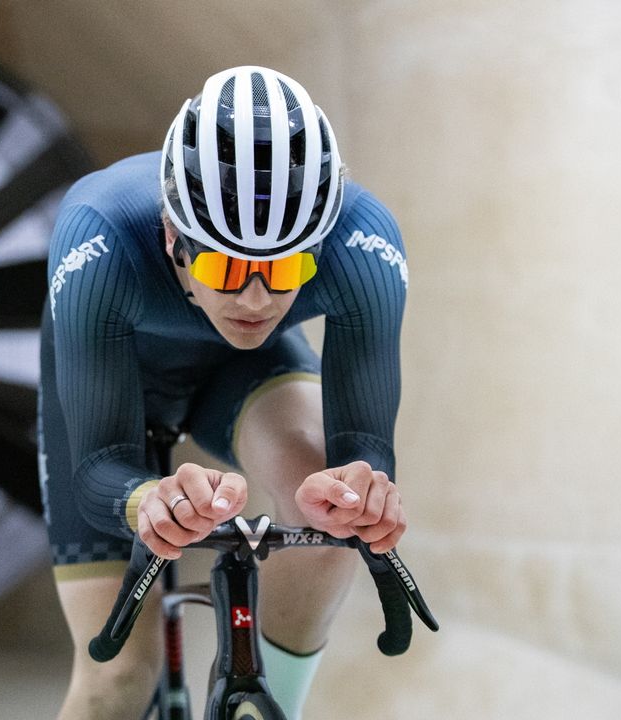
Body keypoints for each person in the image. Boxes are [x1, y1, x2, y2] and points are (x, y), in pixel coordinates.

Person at [38, 65, 410, 720]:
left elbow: (364, 451)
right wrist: (145, 499)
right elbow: (98, 470)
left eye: (286, 269)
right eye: (226, 266)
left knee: (325, 513)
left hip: (244, 374)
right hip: (112, 375)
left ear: (319, 246)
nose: (256, 299)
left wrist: (364, 496)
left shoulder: (362, 243)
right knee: (117, 680)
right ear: (173, 237)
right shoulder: (99, 233)